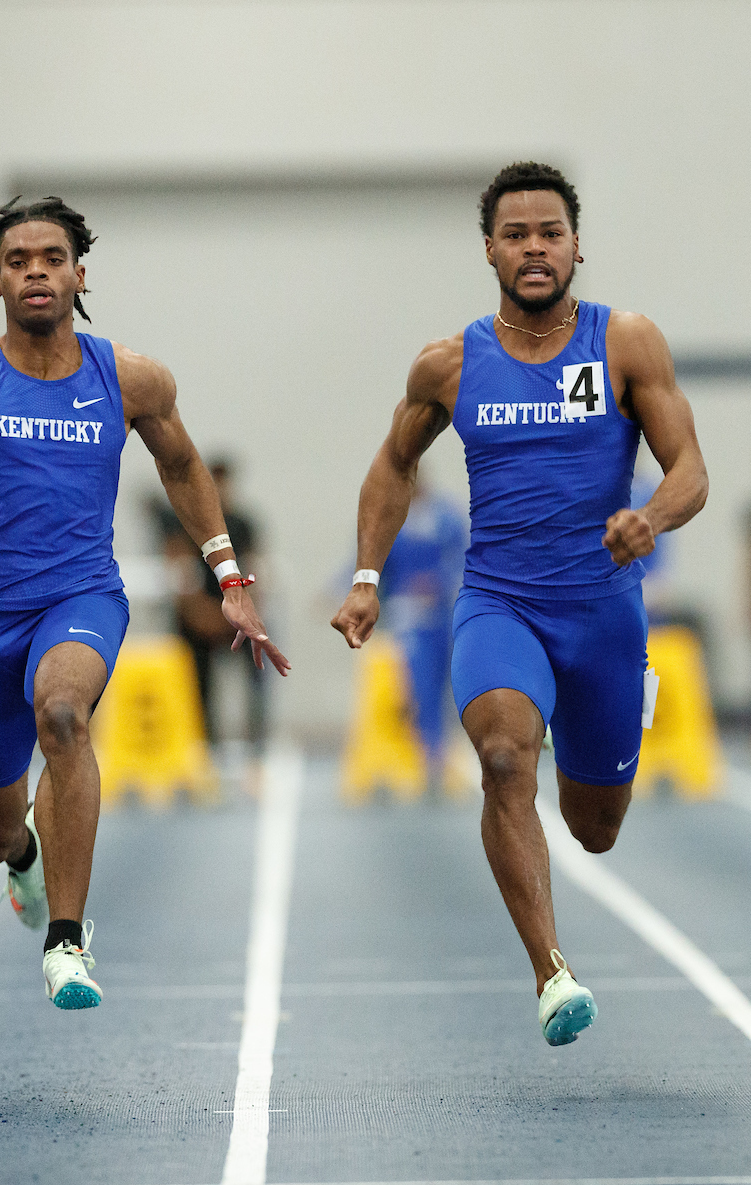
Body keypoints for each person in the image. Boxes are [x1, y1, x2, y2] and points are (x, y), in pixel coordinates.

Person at [0, 196, 290, 1010]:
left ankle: (67, 940)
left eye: (53, 258)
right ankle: (25, 859)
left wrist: (230, 579)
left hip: (81, 596)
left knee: (63, 716)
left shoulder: (128, 377)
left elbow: (181, 467)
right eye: (19, 259)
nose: (37, 271)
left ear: (79, 274)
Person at [331, 162, 708, 1046]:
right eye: (516, 235)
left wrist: (649, 518)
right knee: (504, 757)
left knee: (595, 829)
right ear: (490, 250)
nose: (534, 249)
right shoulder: (450, 364)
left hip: (604, 611)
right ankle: (551, 974)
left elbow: (690, 468)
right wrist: (366, 578)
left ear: (577, 246)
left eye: (550, 234)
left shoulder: (627, 344)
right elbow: (394, 465)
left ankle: (618, 717)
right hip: (499, 602)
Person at [150, 459, 267, 748]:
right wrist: (204, 617)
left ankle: (256, 737)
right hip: (198, 618)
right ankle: (201, 740)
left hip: (235, 615)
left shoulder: (243, 524)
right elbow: (179, 578)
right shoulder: (181, 523)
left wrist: (243, 614)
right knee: (194, 678)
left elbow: (256, 574)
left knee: (260, 655)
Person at [380, 474, 466, 776]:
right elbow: (371, 559)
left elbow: (464, 557)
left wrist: (439, 581)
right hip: (409, 617)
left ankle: (441, 747)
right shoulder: (393, 518)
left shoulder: (446, 517)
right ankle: (428, 753)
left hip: (443, 614)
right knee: (419, 685)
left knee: (448, 683)